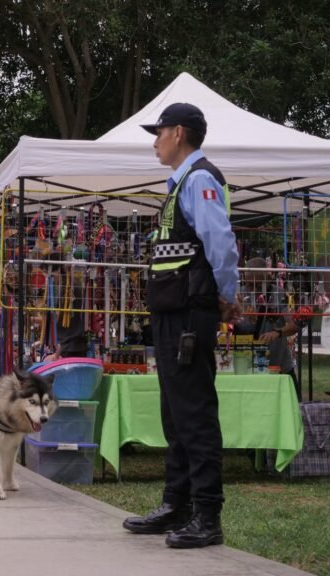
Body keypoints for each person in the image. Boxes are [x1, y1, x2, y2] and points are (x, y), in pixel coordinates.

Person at [122, 103, 240, 548]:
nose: (154, 142)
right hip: (174, 311)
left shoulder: (200, 179)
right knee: (174, 412)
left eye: (158, 133)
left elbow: (220, 242)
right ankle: (178, 504)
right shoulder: (180, 184)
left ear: (177, 133)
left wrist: (227, 295)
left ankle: (207, 514)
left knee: (194, 414)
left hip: (192, 311)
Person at [240, 256, 300, 395]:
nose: (251, 288)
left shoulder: (279, 294)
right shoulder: (238, 294)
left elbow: (295, 324)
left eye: (255, 284)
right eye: (248, 283)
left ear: (266, 279)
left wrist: (277, 332)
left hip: (278, 367)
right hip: (246, 368)